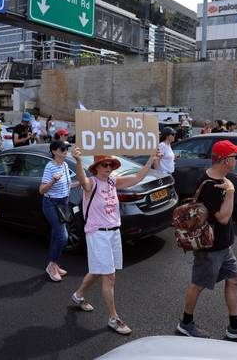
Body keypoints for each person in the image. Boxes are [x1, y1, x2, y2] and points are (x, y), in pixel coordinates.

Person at [70, 147, 160, 335]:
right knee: (109, 276)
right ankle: (113, 318)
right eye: (104, 164)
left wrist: (151, 160)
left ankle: (78, 295)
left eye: (110, 164)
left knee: (97, 270)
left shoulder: (112, 181)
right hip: (98, 234)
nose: (108, 167)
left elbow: (136, 179)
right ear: (96, 167)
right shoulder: (91, 184)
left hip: (113, 233)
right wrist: (78, 161)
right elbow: (82, 179)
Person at [176, 140, 237, 340]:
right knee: (198, 284)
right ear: (224, 160)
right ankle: (186, 323)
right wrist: (230, 191)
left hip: (223, 244)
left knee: (234, 280)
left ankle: (234, 326)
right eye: (234, 156)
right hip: (210, 246)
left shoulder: (221, 178)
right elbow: (223, 217)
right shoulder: (211, 185)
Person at [39, 140, 72, 282]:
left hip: (63, 203)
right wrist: (53, 181)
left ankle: (55, 264)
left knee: (56, 235)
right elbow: (41, 190)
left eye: (66, 148)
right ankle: (52, 265)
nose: (65, 150)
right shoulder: (50, 167)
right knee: (62, 236)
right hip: (51, 204)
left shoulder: (64, 165)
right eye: (62, 148)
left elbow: (68, 184)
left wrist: (83, 183)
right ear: (54, 151)